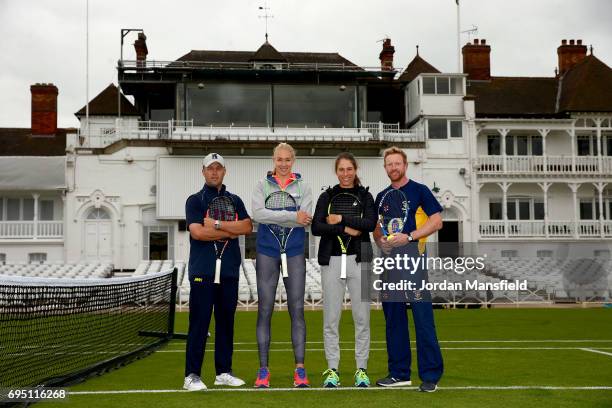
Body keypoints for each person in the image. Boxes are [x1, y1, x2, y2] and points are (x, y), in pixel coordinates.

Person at [373, 146, 444, 392]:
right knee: (393, 319)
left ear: (405, 165)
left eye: (397, 163)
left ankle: (431, 376)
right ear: (385, 168)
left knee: (422, 317)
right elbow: (377, 228)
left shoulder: (420, 191)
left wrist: (410, 237)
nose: (393, 168)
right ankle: (399, 373)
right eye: (389, 164)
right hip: (390, 262)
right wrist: (381, 242)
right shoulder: (380, 196)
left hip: (413, 259)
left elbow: (437, 222)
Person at [183, 153, 253, 391]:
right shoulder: (194, 200)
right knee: (199, 324)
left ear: (225, 171)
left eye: (218, 168)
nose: (214, 172)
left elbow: (247, 226)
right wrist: (230, 232)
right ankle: (191, 375)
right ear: (203, 171)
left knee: (226, 324)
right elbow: (198, 233)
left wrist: (217, 225)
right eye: (210, 168)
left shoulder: (235, 200)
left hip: (229, 272)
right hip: (202, 271)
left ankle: (223, 372)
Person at [311, 152, 377, 388]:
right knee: (331, 320)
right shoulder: (326, 196)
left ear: (355, 170)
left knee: (363, 319)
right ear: (336, 171)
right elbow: (316, 227)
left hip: (363, 258)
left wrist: (338, 219)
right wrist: (347, 228)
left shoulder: (366, 195)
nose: (346, 174)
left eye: (350, 169)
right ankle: (333, 370)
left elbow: (369, 224)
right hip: (332, 259)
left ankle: (362, 370)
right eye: (342, 169)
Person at [252, 143, 313, 388]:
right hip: (267, 251)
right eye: (279, 159)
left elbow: (305, 219)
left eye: (288, 159)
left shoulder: (304, 187)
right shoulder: (262, 185)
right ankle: (263, 371)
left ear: (293, 161)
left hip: (295, 251)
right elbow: (258, 214)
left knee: (297, 310)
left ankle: (300, 370)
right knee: (264, 309)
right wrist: (291, 215)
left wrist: (277, 214)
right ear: (273, 160)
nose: (284, 163)